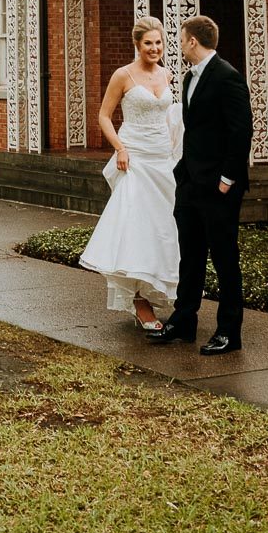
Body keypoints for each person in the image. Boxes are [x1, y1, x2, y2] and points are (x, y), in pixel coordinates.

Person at [149, 15, 253, 355]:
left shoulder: (227, 77)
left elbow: (241, 132)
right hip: (191, 183)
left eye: (181, 39)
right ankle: (183, 321)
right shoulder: (189, 78)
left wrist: (227, 179)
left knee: (224, 259)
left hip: (219, 187)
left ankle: (228, 332)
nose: (178, 44)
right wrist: (183, 174)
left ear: (193, 41)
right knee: (189, 256)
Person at [79, 17, 182, 331]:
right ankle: (139, 301)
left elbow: (170, 115)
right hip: (135, 158)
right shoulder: (122, 75)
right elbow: (104, 116)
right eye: (149, 43)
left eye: (159, 43)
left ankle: (161, 290)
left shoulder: (167, 74)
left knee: (164, 228)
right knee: (137, 226)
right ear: (137, 44)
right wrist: (120, 148)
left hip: (163, 159)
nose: (155, 48)